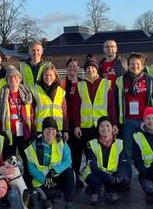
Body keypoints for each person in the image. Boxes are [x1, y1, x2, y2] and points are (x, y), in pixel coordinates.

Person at [115, 52, 153, 182]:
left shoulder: (149, 80)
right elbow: (115, 101)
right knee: (127, 152)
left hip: (145, 122)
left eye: (138, 64)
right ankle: (127, 179)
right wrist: (115, 122)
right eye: (132, 64)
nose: (135, 66)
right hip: (128, 122)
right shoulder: (121, 81)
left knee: (148, 150)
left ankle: (151, 176)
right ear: (128, 65)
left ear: (142, 65)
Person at [25, 117, 77, 209]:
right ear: (43, 130)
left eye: (53, 129)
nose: (51, 131)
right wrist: (44, 179)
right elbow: (31, 169)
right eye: (48, 128)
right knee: (46, 197)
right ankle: (47, 198)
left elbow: (68, 161)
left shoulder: (61, 143)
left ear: (56, 131)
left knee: (70, 172)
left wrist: (54, 171)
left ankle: (69, 205)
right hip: (42, 180)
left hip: (56, 175)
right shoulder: (34, 146)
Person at [0, 66, 34, 197]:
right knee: (7, 164)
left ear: (19, 79)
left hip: (24, 133)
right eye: (10, 77)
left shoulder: (26, 93)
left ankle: (28, 191)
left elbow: (31, 113)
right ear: (7, 79)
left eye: (15, 76)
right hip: (8, 133)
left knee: (28, 162)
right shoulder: (1, 93)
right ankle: (4, 192)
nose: (13, 79)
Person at [73, 55, 118, 149]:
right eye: (88, 68)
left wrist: (114, 124)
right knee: (89, 154)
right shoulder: (80, 85)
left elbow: (111, 106)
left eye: (92, 67)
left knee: (103, 153)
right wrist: (76, 125)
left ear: (96, 69)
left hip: (102, 126)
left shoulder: (106, 84)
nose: (90, 70)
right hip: (86, 127)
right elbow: (76, 107)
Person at [84, 116, 128, 206]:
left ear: (112, 128)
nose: (105, 128)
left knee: (125, 180)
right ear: (98, 129)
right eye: (101, 126)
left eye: (108, 126)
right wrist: (109, 178)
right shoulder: (91, 143)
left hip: (111, 173)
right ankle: (95, 191)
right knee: (96, 180)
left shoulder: (120, 143)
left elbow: (123, 164)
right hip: (95, 174)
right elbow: (94, 168)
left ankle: (108, 189)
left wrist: (119, 176)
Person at [61, 58, 84, 186]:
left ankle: (76, 173)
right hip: (65, 120)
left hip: (78, 121)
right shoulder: (62, 83)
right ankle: (67, 175)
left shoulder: (82, 83)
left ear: (78, 68)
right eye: (70, 66)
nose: (72, 68)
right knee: (66, 150)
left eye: (74, 66)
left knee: (77, 150)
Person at [31, 63, 69, 140]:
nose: (48, 77)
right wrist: (32, 129)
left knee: (57, 151)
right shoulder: (35, 90)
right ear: (42, 76)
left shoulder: (61, 91)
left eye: (51, 75)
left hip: (57, 129)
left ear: (55, 76)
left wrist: (66, 130)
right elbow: (31, 113)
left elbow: (64, 113)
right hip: (41, 130)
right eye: (46, 75)